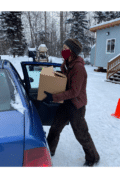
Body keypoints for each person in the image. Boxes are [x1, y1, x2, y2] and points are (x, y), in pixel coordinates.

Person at [43, 38, 100, 167]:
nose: (63, 51)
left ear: (72, 52)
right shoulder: (66, 64)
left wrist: (54, 97)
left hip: (76, 105)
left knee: (81, 133)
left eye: (65, 49)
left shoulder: (78, 68)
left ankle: (93, 157)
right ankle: (48, 151)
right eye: (62, 48)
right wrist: (53, 78)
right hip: (65, 103)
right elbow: (64, 80)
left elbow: (74, 91)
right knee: (55, 128)